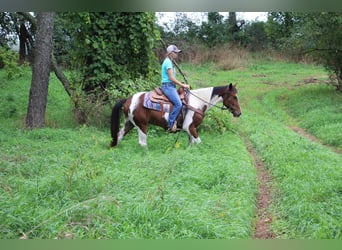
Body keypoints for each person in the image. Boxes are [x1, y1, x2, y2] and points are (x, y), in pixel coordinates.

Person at [161, 44, 190, 132]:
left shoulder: (170, 62)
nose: (177, 54)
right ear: (170, 53)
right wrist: (183, 85)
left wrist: (179, 83)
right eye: (175, 52)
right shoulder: (168, 62)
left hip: (171, 86)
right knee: (178, 104)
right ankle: (170, 124)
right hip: (168, 86)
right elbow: (171, 78)